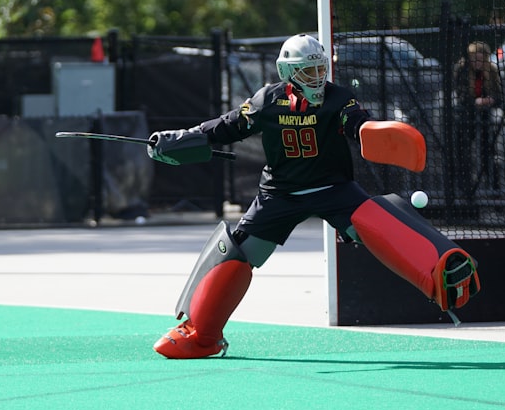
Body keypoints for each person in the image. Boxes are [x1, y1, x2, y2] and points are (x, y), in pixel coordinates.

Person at [145, 34, 479, 359]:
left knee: (375, 219)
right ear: (288, 73)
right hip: (279, 193)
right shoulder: (266, 100)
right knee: (239, 253)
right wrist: (183, 138)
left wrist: (370, 131)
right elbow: (228, 126)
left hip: (333, 189)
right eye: (308, 71)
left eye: (321, 69)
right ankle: (202, 337)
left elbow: (355, 122)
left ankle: (439, 267)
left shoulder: (339, 98)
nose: (317, 77)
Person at [452, 41, 503, 194]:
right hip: (466, 116)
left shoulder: (491, 71)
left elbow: (499, 95)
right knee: (464, 153)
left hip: (484, 115)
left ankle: (494, 190)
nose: (477, 63)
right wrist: (474, 101)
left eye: (481, 60)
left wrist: (490, 100)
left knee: (488, 152)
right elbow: (460, 94)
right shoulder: (462, 70)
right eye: (475, 60)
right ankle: (464, 189)